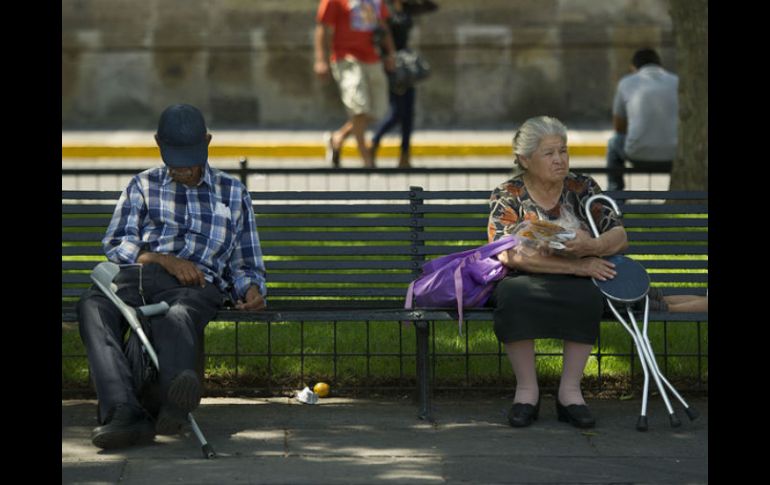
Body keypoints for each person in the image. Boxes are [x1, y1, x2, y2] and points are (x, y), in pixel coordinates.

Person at [77, 104, 267, 450]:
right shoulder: (143, 185)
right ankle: (125, 412)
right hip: (140, 275)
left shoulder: (233, 193)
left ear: (207, 142)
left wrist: (251, 289)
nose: (181, 167)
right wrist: (160, 259)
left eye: (190, 156)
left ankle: (174, 397)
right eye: (173, 156)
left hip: (195, 286)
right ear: (157, 142)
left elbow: (245, 263)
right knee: (93, 303)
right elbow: (116, 243)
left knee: (177, 313)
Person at [488, 115, 628, 429]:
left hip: (578, 275)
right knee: (512, 295)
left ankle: (570, 394)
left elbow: (619, 236)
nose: (559, 160)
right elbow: (508, 253)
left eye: (563, 151)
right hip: (526, 276)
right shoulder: (508, 193)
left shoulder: (583, 186)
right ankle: (526, 392)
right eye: (549, 153)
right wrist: (576, 266)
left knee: (588, 295)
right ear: (525, 159)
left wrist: (590, 246)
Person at [314, 0, 397, 168]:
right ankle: (366, 159)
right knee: (359, 108)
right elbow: (322, 27)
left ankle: (338, 138)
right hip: (346, 58)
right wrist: (321, 60)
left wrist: (391, 54)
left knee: (377, 111)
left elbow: (383, 26)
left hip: (373, 58)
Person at [369, 0, 437, 168]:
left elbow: (431, 7)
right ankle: (374, 142)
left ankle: (404, 156)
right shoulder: (385, 9)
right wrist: (386, 57)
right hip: (392, 64)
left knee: (408, 113)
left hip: (406, 65)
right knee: (397, 112)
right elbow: (378, 34)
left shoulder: (407, 8)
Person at [606, 48, 679, 191]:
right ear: (660, 65)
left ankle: (615, 197)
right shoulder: (677, 81)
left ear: (634, 67)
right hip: (674, 156)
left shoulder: (626, 82)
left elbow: (618, 127)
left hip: (637, 155)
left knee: (613, 143)